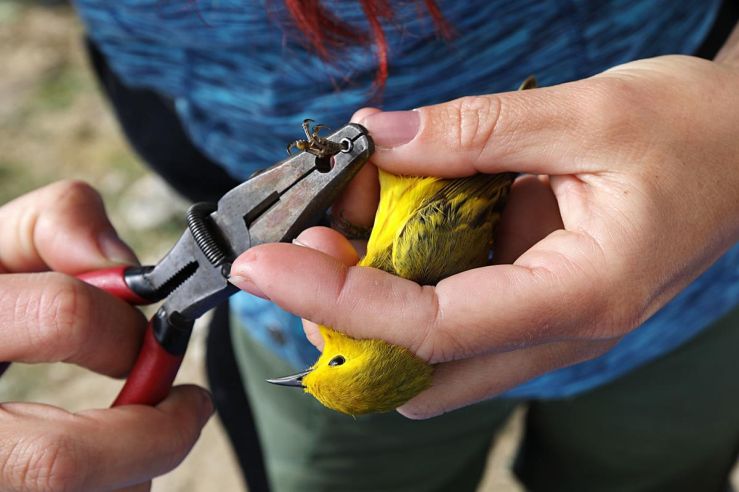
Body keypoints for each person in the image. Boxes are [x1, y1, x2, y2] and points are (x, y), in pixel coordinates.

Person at [1, 1, 738, 491]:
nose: (325, 356)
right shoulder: (394, 276)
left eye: (327, 360)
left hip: (702, 299)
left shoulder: (360, 297)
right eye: (336, 360)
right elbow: (458, 196)